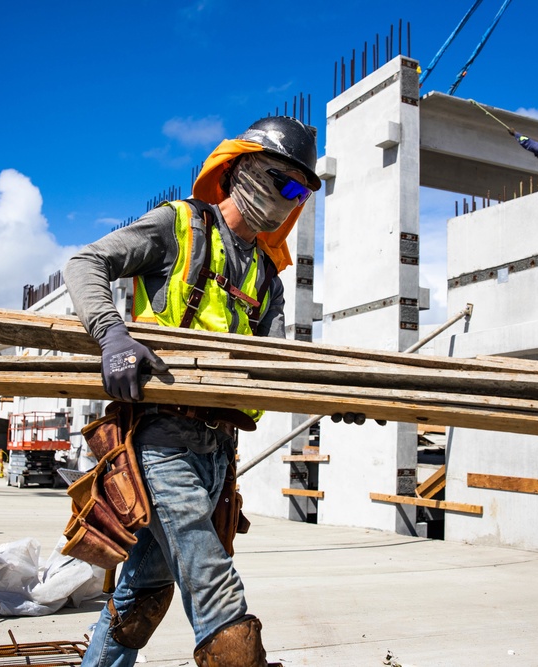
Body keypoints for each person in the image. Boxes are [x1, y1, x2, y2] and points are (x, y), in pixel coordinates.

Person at [64, 115, 320, 667]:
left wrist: (336, 398)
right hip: (160, 441)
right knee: (216, 594)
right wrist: (113, 336)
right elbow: (85, 262)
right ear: (245, 170)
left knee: (140, 601)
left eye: (302, 192)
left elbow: (275, 365)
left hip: (219, 452)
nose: (291, 201)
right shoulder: (179, 227)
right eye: (287, 183)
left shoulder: (267, 277)